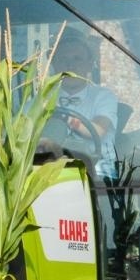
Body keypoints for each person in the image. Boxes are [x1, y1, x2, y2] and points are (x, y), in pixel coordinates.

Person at [47, 34, 119, 179]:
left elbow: (98, 130)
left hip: (98, 174)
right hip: (50, 174)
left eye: (77, 59)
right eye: (63, 59)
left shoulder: (103, 96)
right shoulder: (42, 99)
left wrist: (63, 118)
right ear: (54, 63)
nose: (70, 65)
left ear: (89, 64)